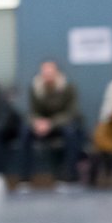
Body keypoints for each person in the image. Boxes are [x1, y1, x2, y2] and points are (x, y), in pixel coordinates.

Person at [16, 59, 85, 188]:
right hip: (41, 126)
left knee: (71, 133)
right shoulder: (35, 87)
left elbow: (72, 112)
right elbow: (32, 111)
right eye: (45, 71)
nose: (48, 74)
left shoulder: (68, 87)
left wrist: (51, 123)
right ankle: (24, 179)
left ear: (57, 72)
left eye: (50, 71)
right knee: (24, 132)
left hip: (61, 125)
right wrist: (36, 122)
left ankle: (70, 177)